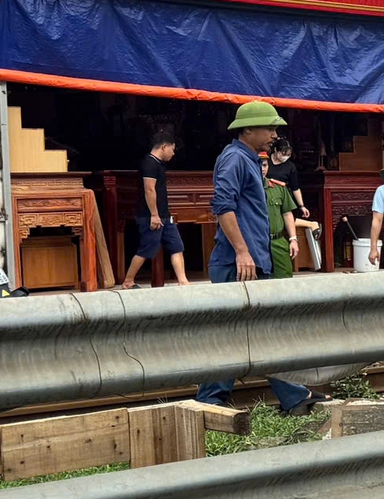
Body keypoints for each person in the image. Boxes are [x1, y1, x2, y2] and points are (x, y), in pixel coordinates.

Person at [197, 101, 318, 414]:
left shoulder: (250, 159)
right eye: (270, 128)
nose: (274, 135)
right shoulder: (234, 159)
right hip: (237, 263)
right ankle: (210, 401)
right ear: (247, 129)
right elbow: (223, 206)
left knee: (256, 334)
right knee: (239, 334)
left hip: (252, 261)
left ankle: (290, 396)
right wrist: (241, 252)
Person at [118, 125, 188, 288]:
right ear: (164, 146)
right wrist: (154, 215)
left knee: (177, 246)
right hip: (151, 216)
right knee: (146, 249)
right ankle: (128, 281)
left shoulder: (158, 165)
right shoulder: (149, 164)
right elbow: (149, 189)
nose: (173, 153)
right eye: (172, 149)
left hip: (165, 215)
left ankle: (183, 281)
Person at [261, 150, 301, 278]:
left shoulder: (278, 187)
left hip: (277, 241)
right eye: (259, 164)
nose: (262, 169)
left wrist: (293, 239)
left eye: (265, 165)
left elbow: (287, 213)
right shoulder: (246, 189)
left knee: (285, 280)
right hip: (257, 243)